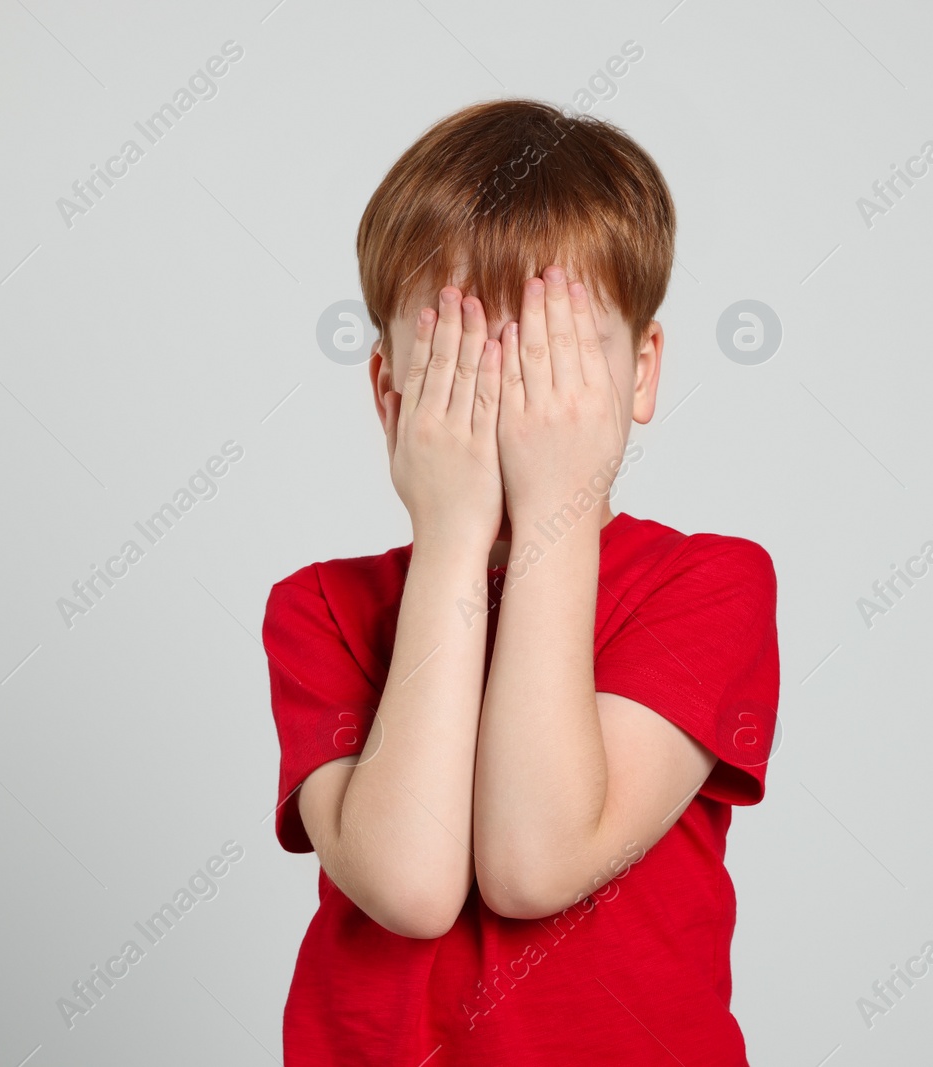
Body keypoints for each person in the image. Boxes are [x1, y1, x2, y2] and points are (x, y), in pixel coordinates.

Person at [261, 98, 779, 1065]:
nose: (515, 410)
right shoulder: (321, 609)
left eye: (553, 365)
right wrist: (454, 534)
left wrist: (556, 514)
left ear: (641, 373)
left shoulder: (712, 582)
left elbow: (535, 863)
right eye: (466, 368)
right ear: (390, 395)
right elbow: (411, 886)